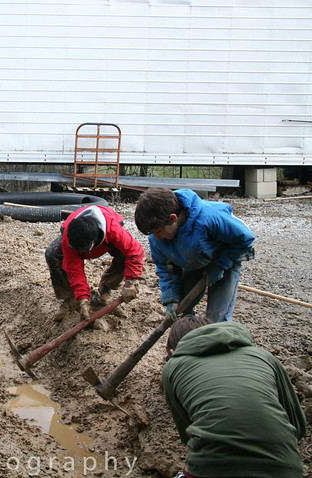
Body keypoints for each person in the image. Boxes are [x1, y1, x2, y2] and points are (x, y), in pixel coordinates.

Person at [163, 316, 305, 478]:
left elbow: (187, 434)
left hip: (211, 468)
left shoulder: (173, 367)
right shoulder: (264, 356)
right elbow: (297, 425)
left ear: (173, 352)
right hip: (285, 466)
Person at [134, 188, 254, 322]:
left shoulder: (209, 218)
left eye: (158, 231)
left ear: (173, 218)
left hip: (225, 261)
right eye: (152, 233)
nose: (156, 237)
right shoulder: (157, 239)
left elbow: (245, 239)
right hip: (193, 263)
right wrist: (171, 298)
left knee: (217, 318)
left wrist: (221, 264)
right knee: (181, 312)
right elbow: (166, 269)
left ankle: (218, 336)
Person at [45, 205, 143, 324]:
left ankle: (106, 288)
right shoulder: (69, 237)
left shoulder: (113, 230)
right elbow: (74, 268)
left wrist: (131, 282)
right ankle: (72, 297)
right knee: (52, 253)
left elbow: (135, 251)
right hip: (78, 238)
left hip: (106, 238)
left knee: (124, 255)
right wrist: (83, 298)